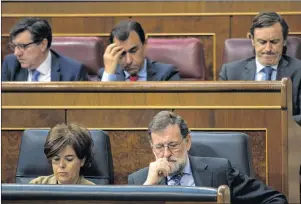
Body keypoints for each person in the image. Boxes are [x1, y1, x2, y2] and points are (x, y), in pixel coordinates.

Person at [128, 111, 287, 204]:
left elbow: (274, 199)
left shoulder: (220, 171)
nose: (166, 154)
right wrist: (148, 187)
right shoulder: (139, 181)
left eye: (173, 145)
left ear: (188, 141)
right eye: (159, 147)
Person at [219, 12, 301, 126]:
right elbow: (222, 115)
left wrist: (272, 122)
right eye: (262, 42)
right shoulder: (230, 72)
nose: (268, 49)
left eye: (274, 42)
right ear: (252, 40)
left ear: (285, 41)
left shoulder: (299, 71)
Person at [2, 17, 88, 81]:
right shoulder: (10, 64)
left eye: (23, 46)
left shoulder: (73, 72)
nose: (16, 53)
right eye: (14, 46)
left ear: (43, 45)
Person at [98, 20, 180, 81]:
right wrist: (109, 74)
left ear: (145, 45)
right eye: (122, 54)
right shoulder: (106, 75)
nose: (128, 61)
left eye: (133, 50)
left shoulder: (167, 74)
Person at [30, 123, 95, 185]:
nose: (61, 165)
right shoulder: (36, 185)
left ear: (82, 161)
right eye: (56, 159)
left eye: (69, 159)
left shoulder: (94, 192)